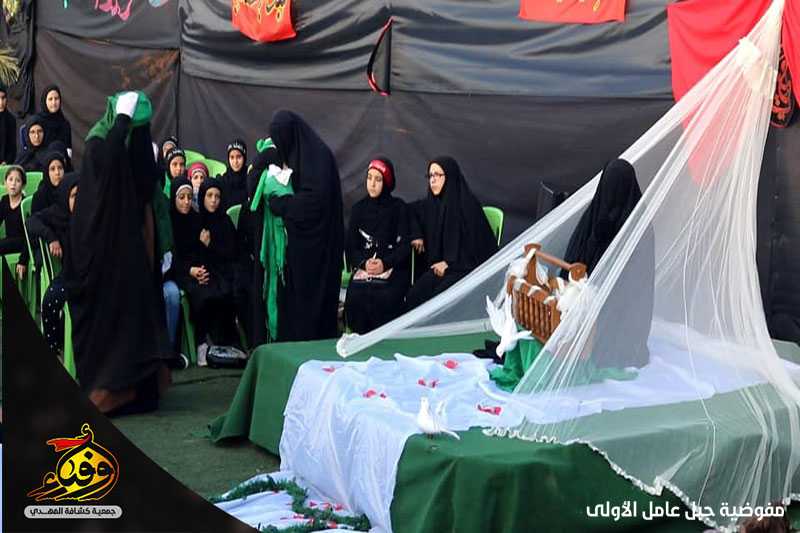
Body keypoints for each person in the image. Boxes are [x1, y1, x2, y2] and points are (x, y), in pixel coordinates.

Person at [64, 90, 172, 415]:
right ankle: (113, 388)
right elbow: (105, 182)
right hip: (104, 259)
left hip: (134, 256)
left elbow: (145, 185)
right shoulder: (100, 146)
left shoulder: (125, 146)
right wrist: (123, 122)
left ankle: (140, 388)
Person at [561, 158, 654, 368]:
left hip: (619, 312)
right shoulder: (594, 218)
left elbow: (635, 285)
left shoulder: (639, 229)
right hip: (585, 297)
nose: (612, 195)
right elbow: (574, 259)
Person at [267, 110, 344, 341]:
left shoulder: (318, 159)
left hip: (321, 246)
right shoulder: (303, 154)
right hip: (304, 247)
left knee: (314, 304)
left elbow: (314, 203)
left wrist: (282, 204)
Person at [405, 156, 498, 310]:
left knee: (437, 302)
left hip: (464, 270)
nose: (432, 180)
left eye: (437, 175)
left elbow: (478, 252)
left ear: (449, 176)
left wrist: (450, 265)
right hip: (439, 269)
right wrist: (417, 234)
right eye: (430, 175)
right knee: (414, 296)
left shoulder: (467, 206)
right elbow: (408, 211)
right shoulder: (432, 204)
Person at [169, 178, 240, 358]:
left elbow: (217, 252)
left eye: (188, 197)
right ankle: (201, 342)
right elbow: (173, 257)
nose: (186, 202)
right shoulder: (169, 222)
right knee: (201, 295)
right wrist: (191, 271)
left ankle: (221, 344)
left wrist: (200, 269)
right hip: (178, 272)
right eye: (181, 198)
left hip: (203, 270)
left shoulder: (196, 220)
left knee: (220, 291)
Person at [344, 158, 411, 333]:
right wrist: (364, 263)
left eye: (378, 179)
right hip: (365, 266)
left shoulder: (398, 208)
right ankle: (359, 337)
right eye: (369, 178)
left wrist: (385, 263)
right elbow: (351, 247)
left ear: (386, 182)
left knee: (385, 296)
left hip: (392, 266)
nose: (372, 184)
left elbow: (404, 246)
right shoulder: (358, 209)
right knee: (357, 294)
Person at [26, 172, 79, 355]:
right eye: (74, 196)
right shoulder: (58, 213)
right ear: (65, 196)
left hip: (95, 275)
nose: (78, 200)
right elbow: (31, 221)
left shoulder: (92, 215)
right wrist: (51, 237)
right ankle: (53, 348)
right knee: (50, 300)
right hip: (70, 275)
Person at [0, 166, 27, 279]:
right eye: (10, 179)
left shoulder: (25, 204)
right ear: (5, 183)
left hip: (22, 242)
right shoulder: (4, 200)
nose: (13, 184)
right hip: (9, 241)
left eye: (18, 180)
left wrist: (23, 260)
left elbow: (29, 236)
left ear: (23, 185)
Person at [38, 85, 72, 157]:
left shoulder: (65, 124)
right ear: (45, 101)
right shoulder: (37, 122)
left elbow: (68, 150)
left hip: (60, 161)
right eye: (50, 99)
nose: (54, 102)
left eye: (56, 98)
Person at [219, 139, 248, 210]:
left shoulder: (250, 178)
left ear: (244, 157)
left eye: (239, 157)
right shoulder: (223, 180)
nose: (235, 161)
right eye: (232, 157)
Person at [0, 83, 17, 165]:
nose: (1, 102)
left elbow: (12, 147)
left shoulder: (11, 119)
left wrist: (6, 162)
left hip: (5, 165)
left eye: (3, 98)